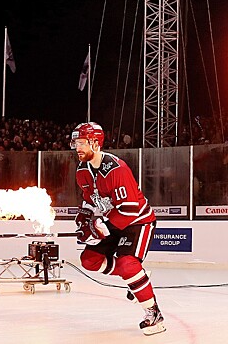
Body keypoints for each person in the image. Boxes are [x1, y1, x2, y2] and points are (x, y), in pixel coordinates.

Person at [70, 122, 165, 336]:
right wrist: (84, 218)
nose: (77, 147)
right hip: (112, 221)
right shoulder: (82, 170)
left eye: (82, 143)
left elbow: (130, 210)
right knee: (89, 260)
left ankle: (154, 314)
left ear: (95, 143)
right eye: (76, 143)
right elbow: (90, 201)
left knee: (127, 264)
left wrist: (102, 228)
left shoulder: (117, 169)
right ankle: (137, 277)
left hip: (138, 221)